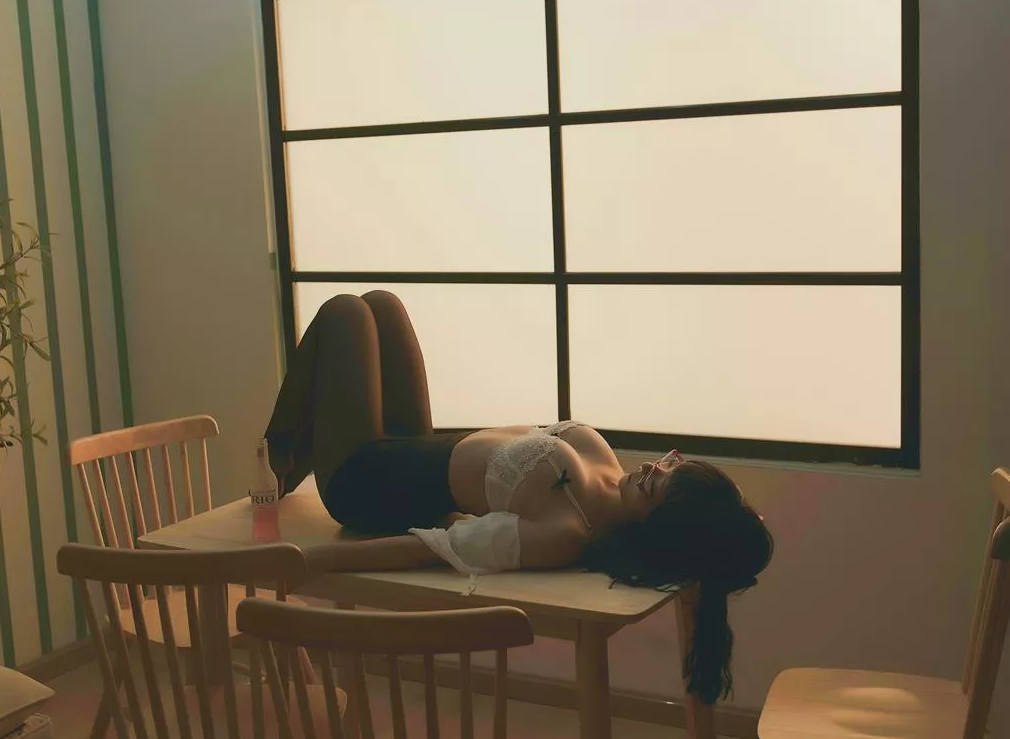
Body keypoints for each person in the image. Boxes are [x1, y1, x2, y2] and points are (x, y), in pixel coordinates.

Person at [264, 291, 773, 705]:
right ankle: (288, 454)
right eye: (669, 464)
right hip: (410, 443)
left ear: (657, 526)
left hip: (367, 485)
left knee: (345, 312)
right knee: (382, 304)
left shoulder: (567, 531)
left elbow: (437, 547)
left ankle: (278, 458)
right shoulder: (609, 470)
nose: (651, 468)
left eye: (655, 485)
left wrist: (312, 560)